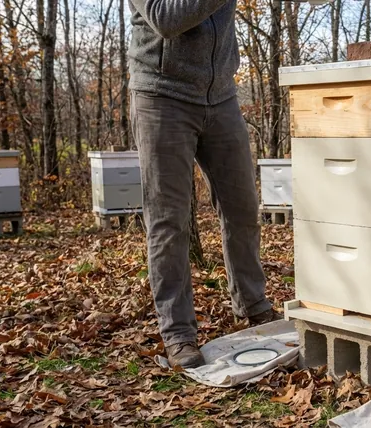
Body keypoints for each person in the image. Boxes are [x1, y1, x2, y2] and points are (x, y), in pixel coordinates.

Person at [126, 0, 280, 369]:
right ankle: (178, 332)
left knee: (243, 209)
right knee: (169, 221)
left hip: (222, 96)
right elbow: (165, 19)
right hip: (161, 96)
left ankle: (253, 304)